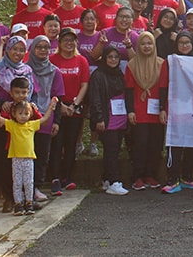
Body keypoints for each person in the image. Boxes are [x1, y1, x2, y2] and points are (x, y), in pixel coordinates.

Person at [0, 37, 35, 213]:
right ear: (7, 49)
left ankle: (17, 199)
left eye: (22, 50)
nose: (18, 53)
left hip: (22, 124)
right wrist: (2, 103)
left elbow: (32, 93)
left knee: (19, 163)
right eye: (15, 49)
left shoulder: (27, 70)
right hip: (2, 121)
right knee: (1, 160)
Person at [0, 93, 58, 215]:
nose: (23, 116)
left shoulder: (32, 125)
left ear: (30, 114)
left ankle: (29, 203)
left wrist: (51, 107)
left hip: (28, 159)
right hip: (16, 159)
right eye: (20, 113)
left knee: (29, 182)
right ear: (14, 114)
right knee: (17, 183)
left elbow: (44, 120)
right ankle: (18, 204)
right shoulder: (12, 125)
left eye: (26, 113)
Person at [48, 28, 89, 195]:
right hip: (57, 106)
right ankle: (55, 178)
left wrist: (74, 105)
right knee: (57, 143)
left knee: (71, 143)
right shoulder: (52, 60)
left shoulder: (81, 60)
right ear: (59, 42)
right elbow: (48, 84)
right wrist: (60, 106)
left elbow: (84, 85)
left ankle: (67, 177)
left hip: (74, 108)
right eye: (66, 40)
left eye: (72, 40)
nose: (69, 43)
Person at [126, 32, 168, 190]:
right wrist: (130, 110)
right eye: (143, 44)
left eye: (149, 43)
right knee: (140, 144)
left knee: (155, 144)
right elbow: (129, 90)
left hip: (156, 112)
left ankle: (151, 175)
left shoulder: (161, 64)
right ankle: (137, 176)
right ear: (138, 46)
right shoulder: (132, 65)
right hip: (139, 111)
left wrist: (163, 109)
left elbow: (163, 88)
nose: (146, 46)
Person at [161, 33, 193, 194]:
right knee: (175, 146)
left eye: (187, 42)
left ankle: (187, 177)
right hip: (175, 110)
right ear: (176, 44)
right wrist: (162, 109)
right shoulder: (170, 61)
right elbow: (163, 86)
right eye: (181, 42)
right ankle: (172, 180)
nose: (184, 45)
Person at [26, 36, 65, 202]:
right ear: (33, 49)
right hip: (26, 118)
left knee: (42, 154)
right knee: (26, 153)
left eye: (46, 47)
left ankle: (36, 187)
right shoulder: (25, 69)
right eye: (39, 47)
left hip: (46, 117)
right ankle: (24, 187)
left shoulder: (55, 71)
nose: (43, 50)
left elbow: (57, 98)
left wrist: (56, 121)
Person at [87, 47, 129, 196]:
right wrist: (98, 118)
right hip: (106, 118)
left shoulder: (119, 74)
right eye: (110, 57)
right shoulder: (98, 75)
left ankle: (106, 179)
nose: (113, 60)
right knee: (111, 150)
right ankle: (114, 182)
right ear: (104, 58)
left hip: (120, 118)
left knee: (114, 150)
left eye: (116, 57)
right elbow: (95, 98)